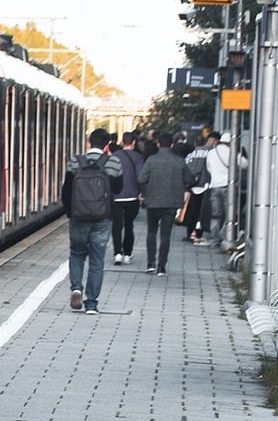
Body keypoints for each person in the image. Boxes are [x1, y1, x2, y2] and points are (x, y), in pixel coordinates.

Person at [62, 127, 123, 315]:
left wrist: (70, 213)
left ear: (89, 143)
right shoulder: (113, 162)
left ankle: (76, 288)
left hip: (78, 217)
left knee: (77, 253)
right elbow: (118, 189)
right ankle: (91, 304)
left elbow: (66, 191)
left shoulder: (75, 162)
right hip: (103, 218)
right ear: (107, 145)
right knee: (97, 261)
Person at [138, 131, 194, 276]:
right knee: (165, 235)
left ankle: (150, 263)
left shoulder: (151, 160)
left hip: (153, 201)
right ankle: (161, 266)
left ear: (158, 144)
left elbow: (142, 179)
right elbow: (189, 180)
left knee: (151, 232)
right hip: (171, 202)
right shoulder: (179, 161)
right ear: (172, 145)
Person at [204, 130, 249, 247]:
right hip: (228, 187)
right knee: (230, 214)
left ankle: (214, 239)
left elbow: (209, 168)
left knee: (215, 215)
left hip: (214, 186)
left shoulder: (211, 153)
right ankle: (225, 236)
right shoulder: (232, 153)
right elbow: (245, 164)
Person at [110, 131, 145, 265]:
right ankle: (128, 254)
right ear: (134, 142)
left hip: (116, 196)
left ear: (122, 142)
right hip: (132, 197)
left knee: (116, 225)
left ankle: (117, 253)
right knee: (129, 225)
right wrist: (143, 193)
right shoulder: (138, 157)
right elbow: (141, 177)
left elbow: (110, 175)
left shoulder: (115, 156)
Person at [183, 134, 211, 244]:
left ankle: (189, 233)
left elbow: (186, 167)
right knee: (201, 212)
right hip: (205, 184)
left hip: (192, 185)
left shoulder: (192, 154)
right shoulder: (210, 152)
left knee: (192, 211)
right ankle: (198, 233)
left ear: (195, 143)